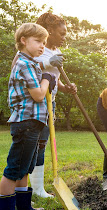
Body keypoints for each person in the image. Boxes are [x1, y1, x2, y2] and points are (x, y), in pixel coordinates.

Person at [12, 12, 77, 198]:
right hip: (33, 105)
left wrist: (66, 88)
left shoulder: (55, 52)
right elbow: (19, 67)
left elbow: (52, 80)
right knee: (31, 146)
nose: (65, 37)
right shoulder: (32, 52)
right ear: (49, 31)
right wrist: (47, 62)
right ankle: (32, 189)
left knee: (41, 144)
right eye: (62, 33)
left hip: (50, 103)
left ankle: (38, 189)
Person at [0, 23, 56, 210]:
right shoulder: (24, 64)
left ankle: (23, 206)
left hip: (33, 123)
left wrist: (46, 76)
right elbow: (39, 95)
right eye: (38, 41)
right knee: (14, 169)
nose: (42, 46)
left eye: (44, 42)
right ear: (23, 41)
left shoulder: (32, 64)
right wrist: (47, 79)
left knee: (25, 168)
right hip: (26, 122)